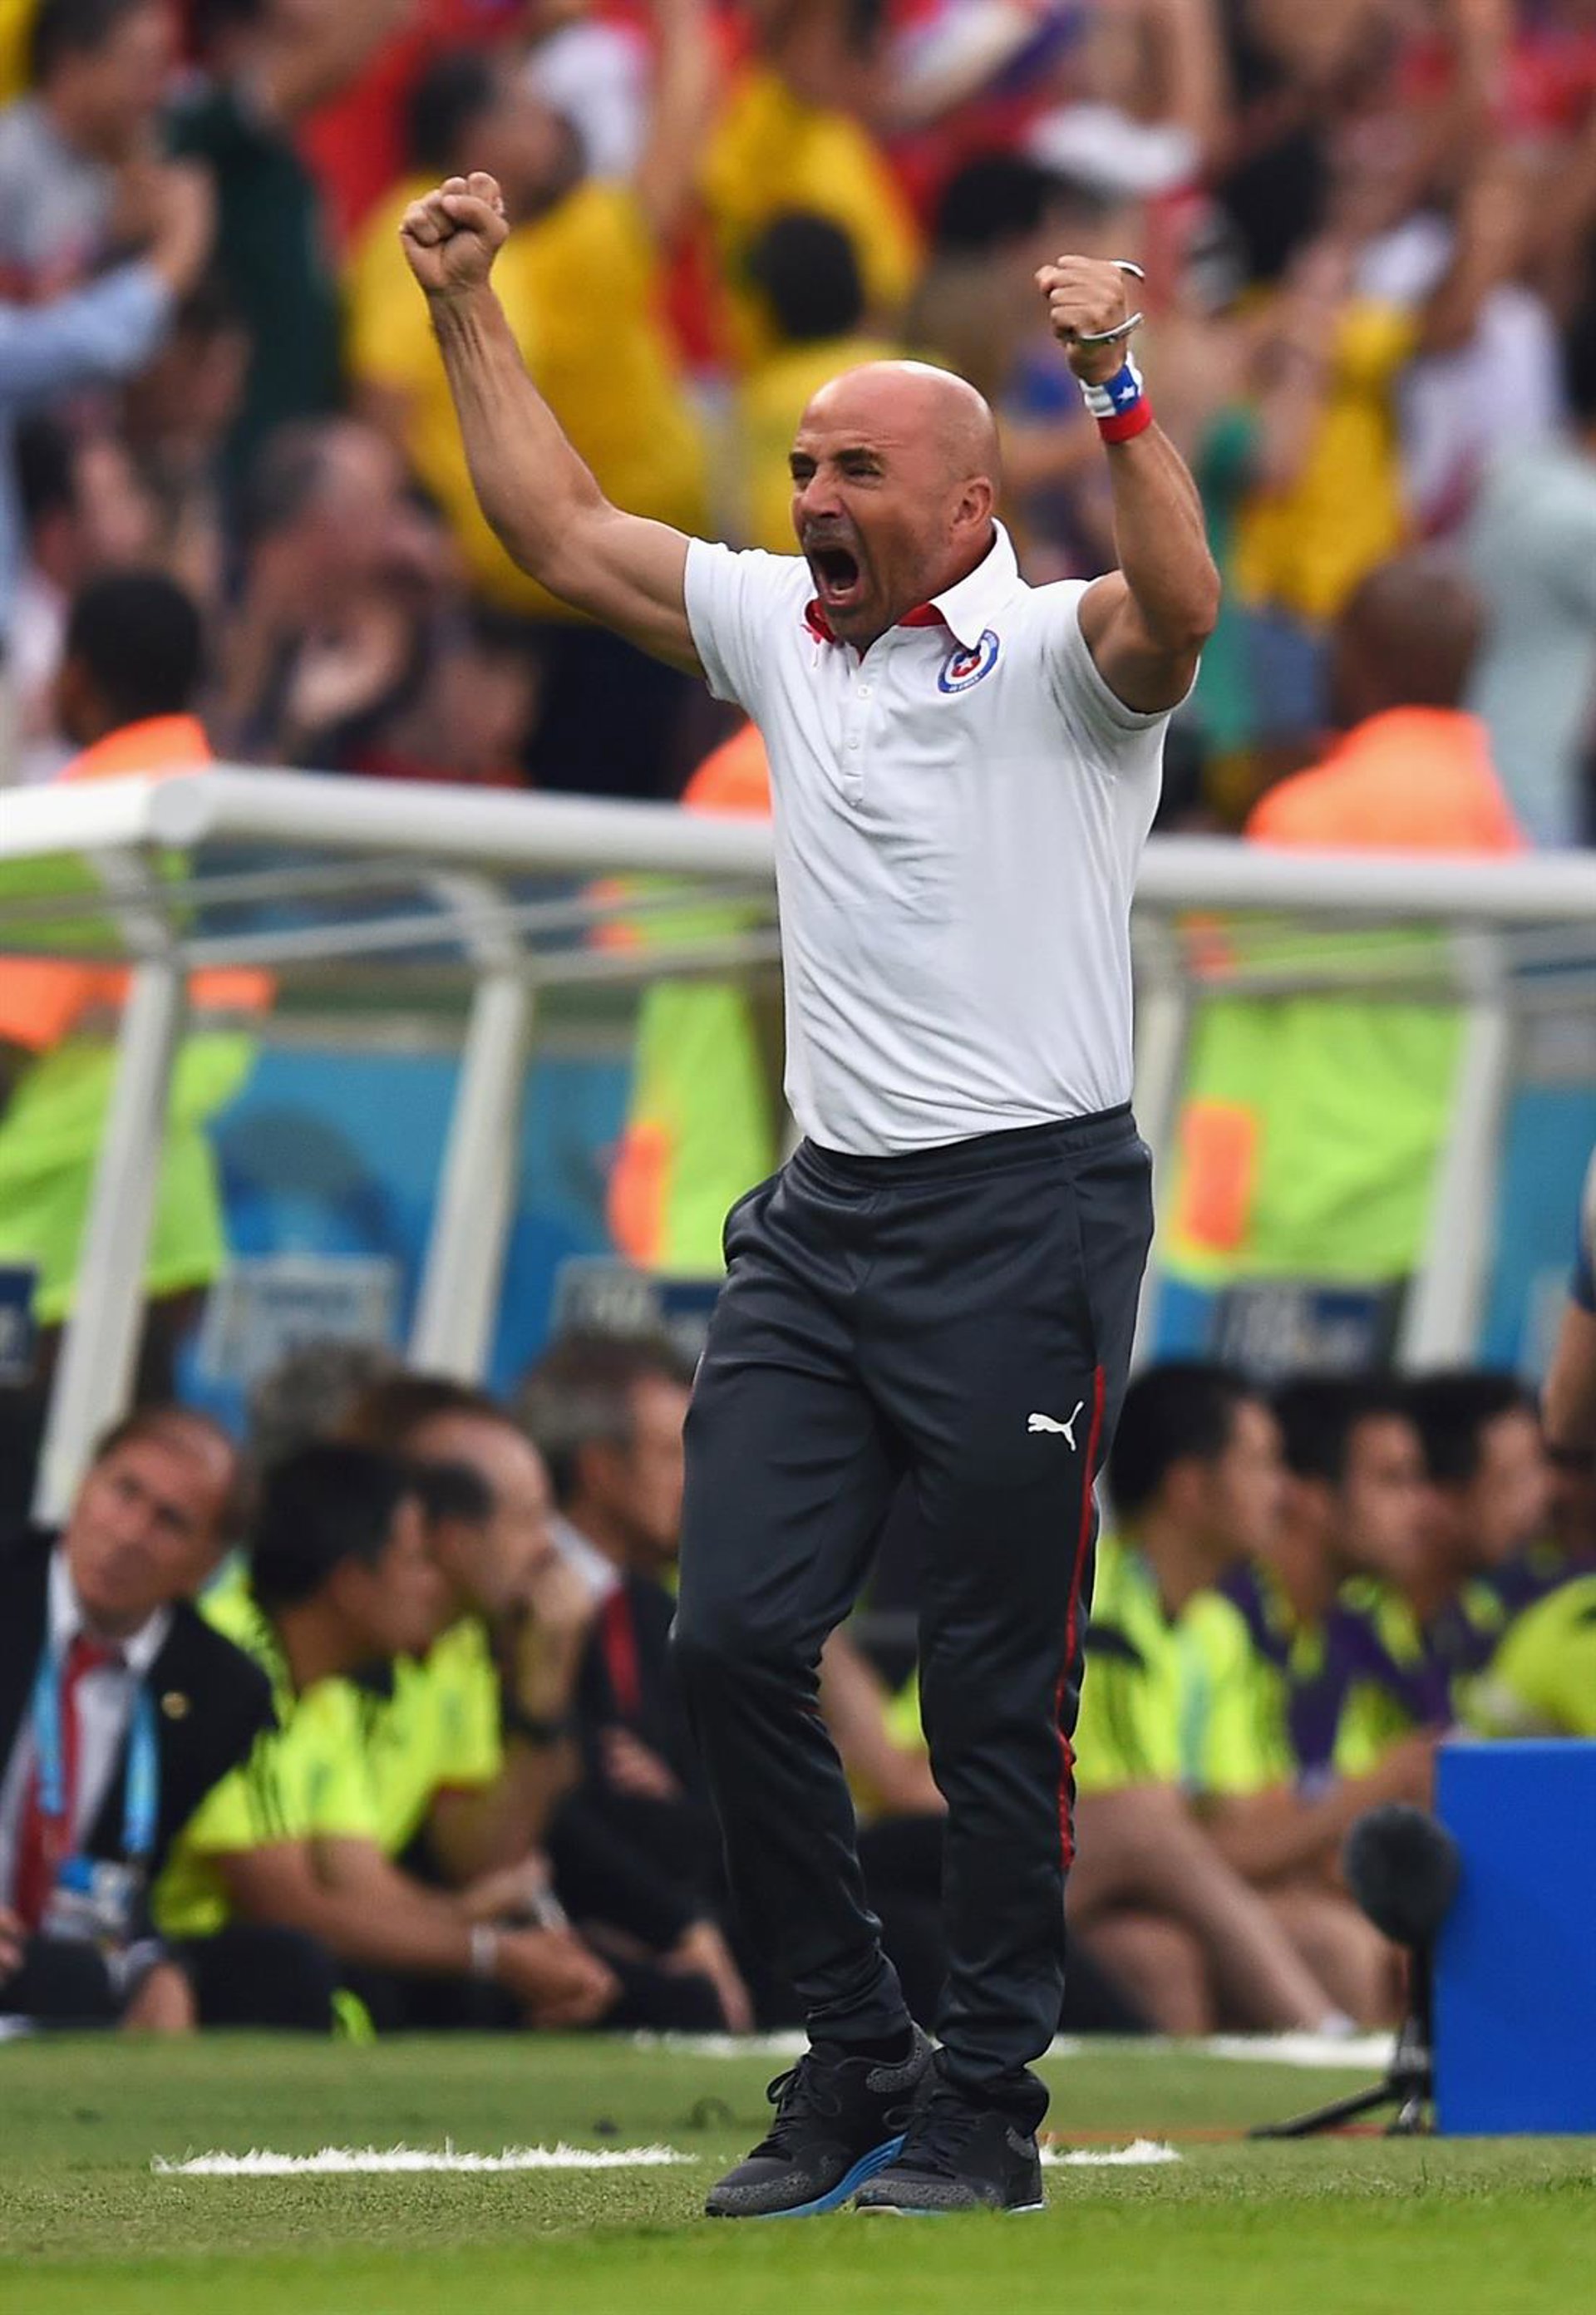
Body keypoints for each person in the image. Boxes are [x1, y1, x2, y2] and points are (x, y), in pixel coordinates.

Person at [401, 165, 1216, 2214]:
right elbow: (558, 529)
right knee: (729, 1639)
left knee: (992, 1691)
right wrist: (465, 305)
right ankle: (856, 2048)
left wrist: (1118, 384)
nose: (812, 498)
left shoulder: (1051, 653)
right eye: (798, 467)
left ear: (967, 504)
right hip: (824, 1216)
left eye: (855, 470)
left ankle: (988, 2103)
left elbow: (1183, 607)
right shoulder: (786, 626)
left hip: (1026, 1221)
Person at [155, 1440, 621, 2031]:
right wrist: (492, 1953)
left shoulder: (327, 1691)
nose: (435, 1583)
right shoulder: (235, 1666)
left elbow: (359, 1880)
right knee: (295, 1966)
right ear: (352, 1583)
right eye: (416, 1560)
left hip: (242, 1951)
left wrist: (474, 1926)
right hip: (166, 1943)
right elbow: (287, 1904)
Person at [0, 570, 271, 1524]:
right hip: (174, 1218)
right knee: (143, 1518)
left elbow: (11, 1036)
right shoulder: (229, 814)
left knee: (41, 1516)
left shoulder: (88, 812)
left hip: (55, 1227)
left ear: (75, 676)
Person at [0, 1406, 273, 2029]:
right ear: (83, 1485)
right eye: (124, 1492)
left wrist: (154, 1963)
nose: (129, 1533)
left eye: (169, 1521)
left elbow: (131, 1869)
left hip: (58, 1957)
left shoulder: (221, 1690)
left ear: (208, 1564)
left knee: (277, 1969)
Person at [518, 1331, 752, 2033]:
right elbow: (566, 1803)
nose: (702, 1479)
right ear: (600, 1468)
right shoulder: (523, 1605)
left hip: (688, 1900)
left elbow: (718, 1793)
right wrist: (679, 1921)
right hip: (571, 1913)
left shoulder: (654, 1609)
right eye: (675, 1454)